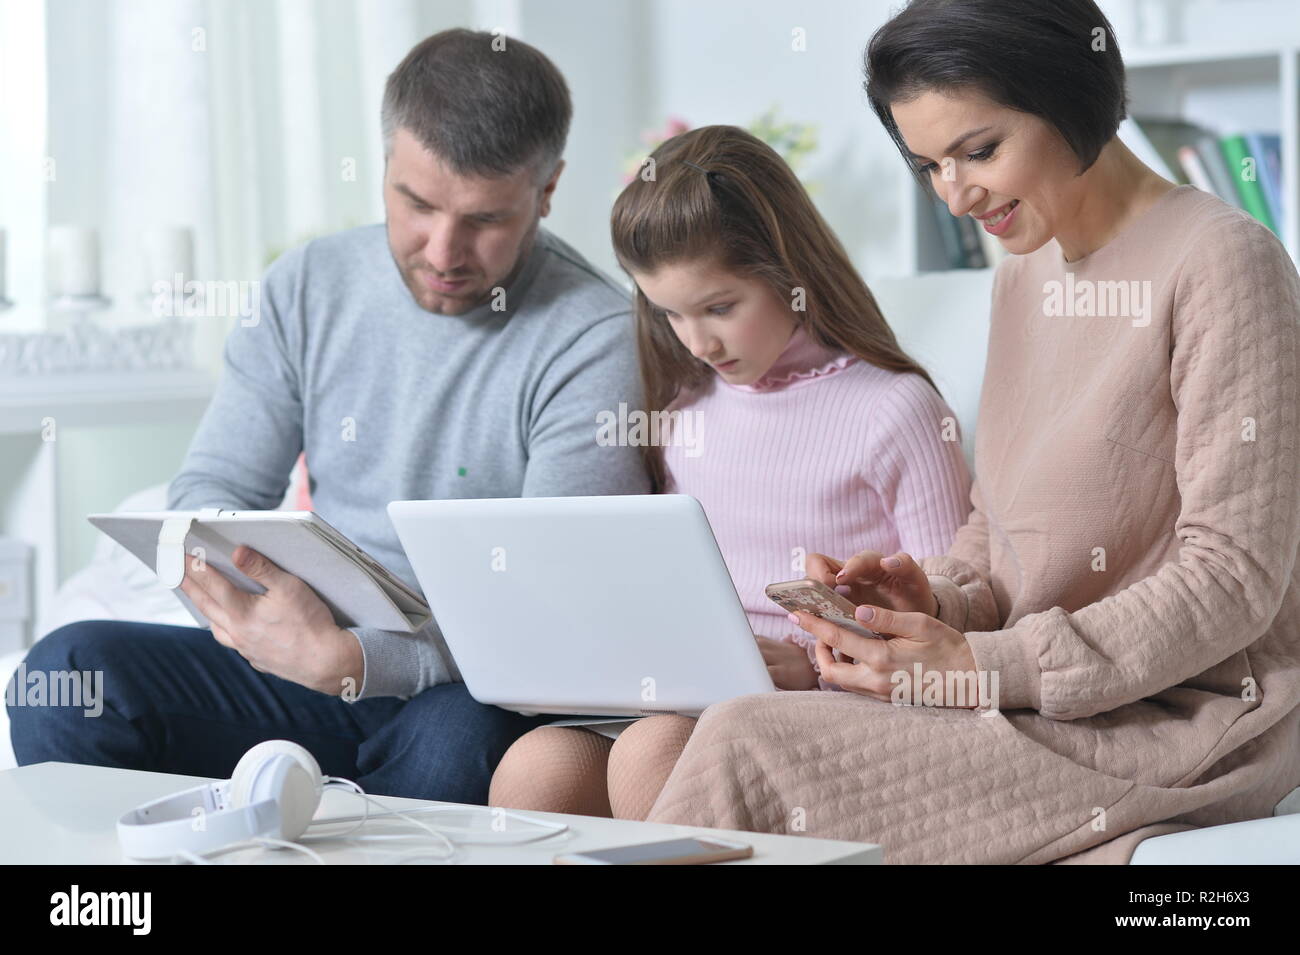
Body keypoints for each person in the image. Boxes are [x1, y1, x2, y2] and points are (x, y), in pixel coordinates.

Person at [639, 0, 1300, 864]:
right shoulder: (1022, 275)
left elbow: (1233, 577)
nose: (956, 194)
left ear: (1070, 96)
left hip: (1183, 721)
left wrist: (984, 668)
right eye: (929, 165)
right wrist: (933, 599)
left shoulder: (1224, 262)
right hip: (1032, 695)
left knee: (742, 740)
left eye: (978, 151)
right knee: (709, 734)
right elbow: (999, 525)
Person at [8, 29, 650, 804]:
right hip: (296, 665)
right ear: (384, 166)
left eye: (485, 219)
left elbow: (550, 609)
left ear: (546, 193)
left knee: (462, 747)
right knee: (68, 675)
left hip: (463, 689)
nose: (443, 249)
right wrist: (253, 616)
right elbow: (214, 487)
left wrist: (356, 660)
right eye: (416, 203)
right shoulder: (307, 285)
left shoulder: (594, 335)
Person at [488, 125, 972, 819]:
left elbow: (949, 622)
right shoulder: (685, 405)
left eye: (720, 308)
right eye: (670, 313)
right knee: (535, 767)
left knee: (651, 752)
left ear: (789, 271)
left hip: (838, 701)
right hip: (695, 693)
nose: (698, 341)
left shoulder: (894, 410)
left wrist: (811, 665)